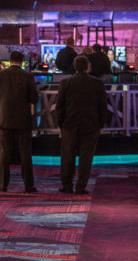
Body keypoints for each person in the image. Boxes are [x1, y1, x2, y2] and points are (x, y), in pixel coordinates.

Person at [56, 55, 107, 195]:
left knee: (67, 156)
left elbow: (59, 106)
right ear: (88, 67)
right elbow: (102, 106)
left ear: (75, 66)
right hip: (91, 125)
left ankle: (66, 185)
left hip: (69, 125)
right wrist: (100, 124)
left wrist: (60, 124)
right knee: (86, 157)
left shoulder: (65, 83)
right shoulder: (97, 83)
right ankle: (80, 186)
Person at [0, 51, 38, 193]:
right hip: (23, 119)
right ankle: (28, 185)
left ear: (10, 61)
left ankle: (3, 185)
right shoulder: (28, 76)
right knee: (25, 153)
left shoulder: (0, 75)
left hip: (4, 118)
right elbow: (34, 99)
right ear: (22, 62)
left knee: (4, 152)